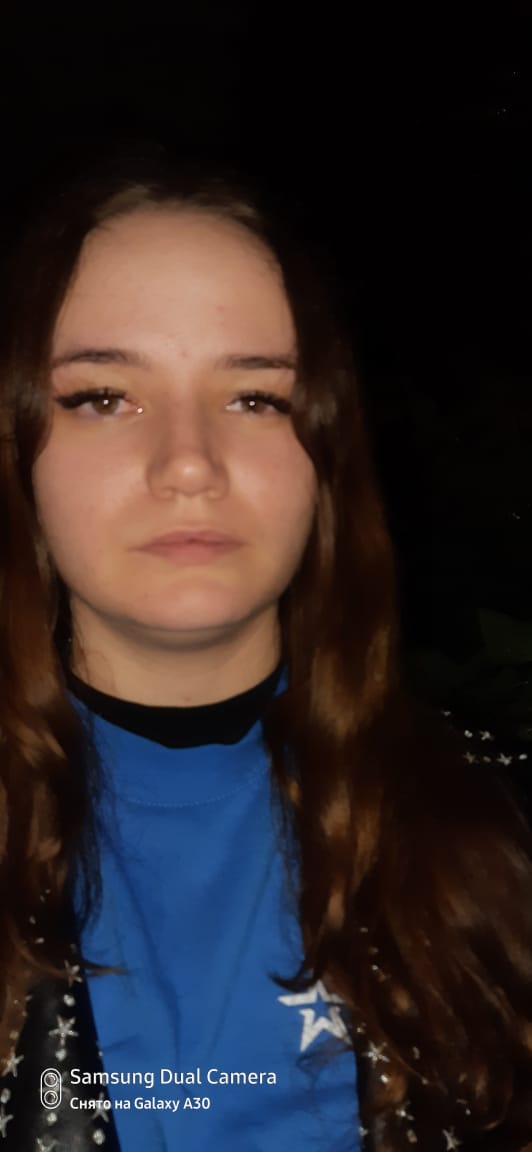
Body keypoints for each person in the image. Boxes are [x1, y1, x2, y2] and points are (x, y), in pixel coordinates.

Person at [0, 153, 531, 1152]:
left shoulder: (500, 820)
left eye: (256, 398)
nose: (188, 463)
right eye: (103, 396)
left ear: (326, 456)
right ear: (17, 450)